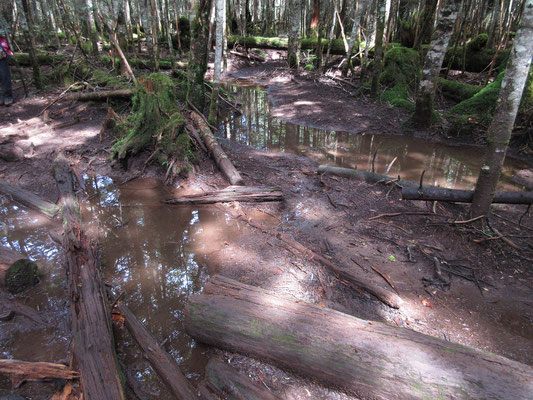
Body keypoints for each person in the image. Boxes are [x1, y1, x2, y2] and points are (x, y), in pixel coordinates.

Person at [0, 15, 13, 106]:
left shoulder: (1, 18)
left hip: (1, 52)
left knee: (4, 75)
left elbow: (8, 30)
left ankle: (7, 97)